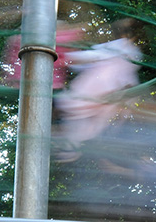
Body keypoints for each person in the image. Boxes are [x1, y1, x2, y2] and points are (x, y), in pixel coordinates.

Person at [52, 18, 142, 162]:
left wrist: (68, 58)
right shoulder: (132, 58)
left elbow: (93, 57)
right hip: (110, 96)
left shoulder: (120, 46)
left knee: (72, 108)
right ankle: (69, 147)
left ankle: (67, 145)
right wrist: (124, 111)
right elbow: (131, 85)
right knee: (87, 122)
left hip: (96, 87)